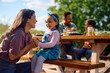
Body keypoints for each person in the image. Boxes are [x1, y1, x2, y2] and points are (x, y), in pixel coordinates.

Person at [0, 9, 37, 73]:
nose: (36, 21)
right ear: (27, 20)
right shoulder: (19, 33)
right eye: (34, 18)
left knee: (33, 65)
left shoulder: (28, 34)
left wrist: (31, 46)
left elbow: (22, 52)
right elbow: (12, 56)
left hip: (11, 64)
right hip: (3, 64)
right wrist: (29, 46)